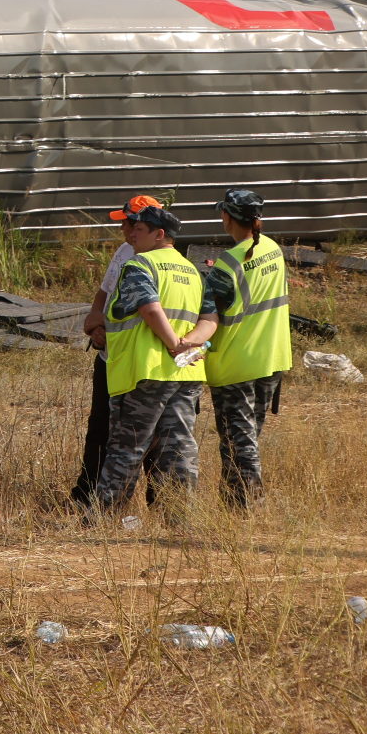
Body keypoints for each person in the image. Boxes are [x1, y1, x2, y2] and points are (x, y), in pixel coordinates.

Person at [73, 200, 207, 514]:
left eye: (138, 227)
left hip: (144, 370)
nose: (130, 233)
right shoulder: (192, 269)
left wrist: (174, 342)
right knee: (179, 450)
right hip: (184, 373)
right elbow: (209, 318)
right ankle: (179, 518)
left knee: (126, 448)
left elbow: (148, 308)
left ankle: (106, 519)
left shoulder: (140, 264)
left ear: (158, 233)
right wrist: (189, 344)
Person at [192, 188, 292, 505]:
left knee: (238, 442)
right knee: (249, 437)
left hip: (237, 365)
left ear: (226, 217)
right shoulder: (274, 250)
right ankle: (238, 502)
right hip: (272, 358)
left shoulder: (227, 265)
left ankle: (244, 506)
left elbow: (210, 318)